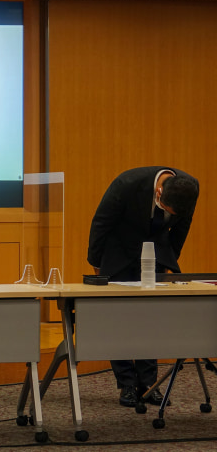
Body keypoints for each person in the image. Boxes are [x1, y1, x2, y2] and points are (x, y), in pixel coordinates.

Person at [87, 166, 199, 408]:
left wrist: (169, 261)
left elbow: (182, 227)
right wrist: (97, 264)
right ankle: (127, 383)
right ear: (159, 192)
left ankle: (149, 385)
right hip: (119, 251)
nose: (167, 214)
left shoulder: (190, 188)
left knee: (151, 318)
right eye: (164, 208)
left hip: (156, 252)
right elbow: (101, 223)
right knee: (118, 319)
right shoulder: (126, 184)